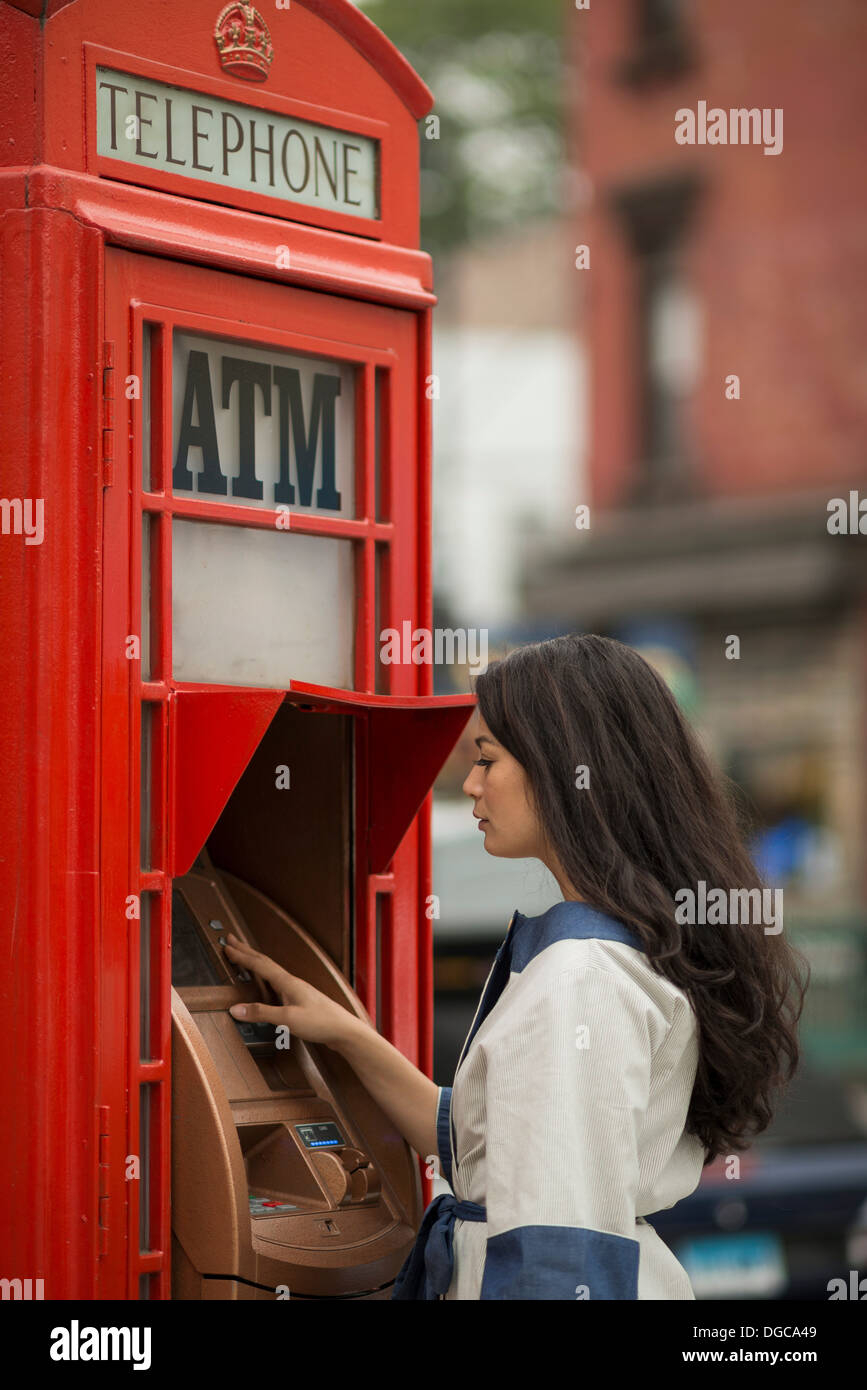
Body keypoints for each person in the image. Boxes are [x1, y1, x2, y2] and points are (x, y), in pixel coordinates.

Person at [224, 633, 809, 1300]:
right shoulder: (611, 953)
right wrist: (345, 1033)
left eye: (486, 758)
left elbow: (554, 1253)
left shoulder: (577, 980)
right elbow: (477, 1148)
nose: (470, 783)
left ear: (565, 771)